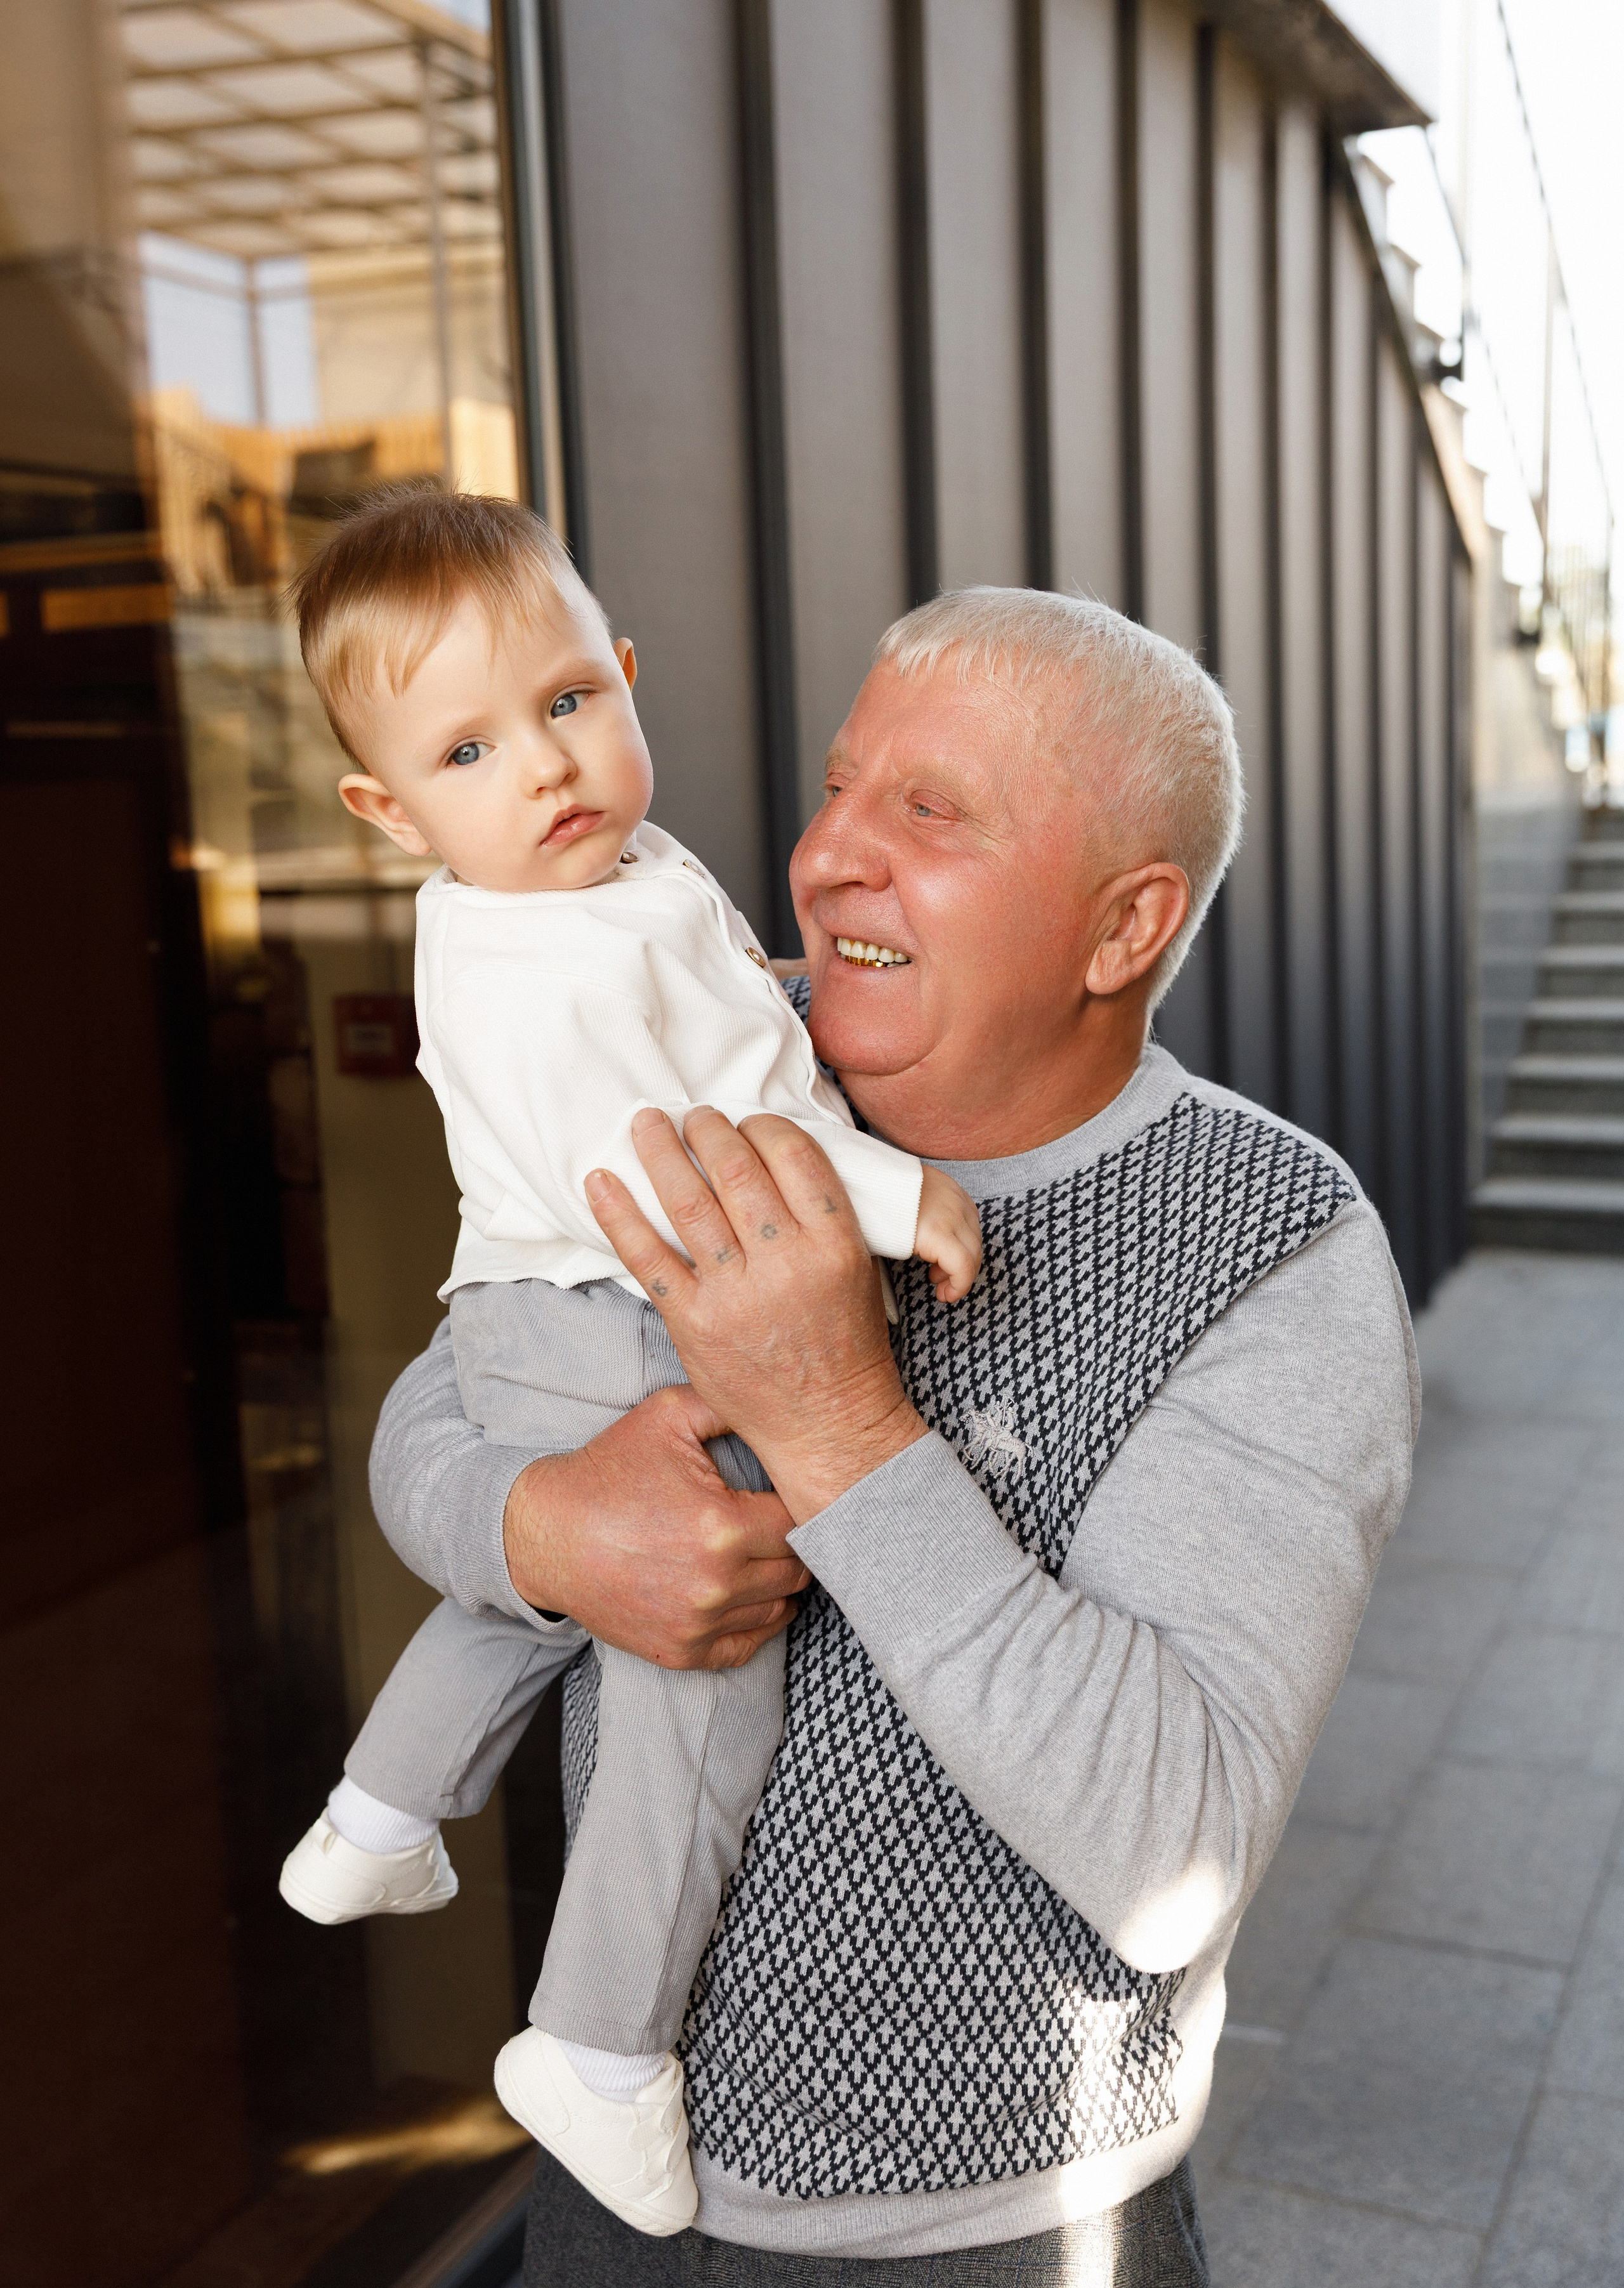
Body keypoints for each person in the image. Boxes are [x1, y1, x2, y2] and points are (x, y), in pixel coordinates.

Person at [371, 584, 1421, 2285]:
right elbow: (434, 1409)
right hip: (602, 2175)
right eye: (842, 787)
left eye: (927, 814)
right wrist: (545, 1534)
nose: (823, 856)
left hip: (998, 2235)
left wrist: (839, 1426)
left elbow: (1171, 1857)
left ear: (1120, 928)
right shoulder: (714, 1050)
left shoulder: (1270, 1240)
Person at [272, 485, 982, 2236]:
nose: (545, 768)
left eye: (571, 702)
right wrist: (899, 1191)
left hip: (554, 1307)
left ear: (627, 675)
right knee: (706, 1632)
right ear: (386, 807)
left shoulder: (597, 883)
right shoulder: (530, 964)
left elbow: (729, 1007)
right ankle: (594, 2043)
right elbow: (695, 1140)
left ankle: (378, 1814)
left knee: (557, 1578)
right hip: (598, 1299)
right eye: (467, 749)